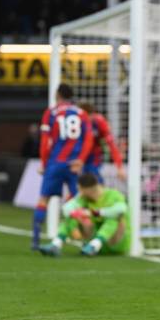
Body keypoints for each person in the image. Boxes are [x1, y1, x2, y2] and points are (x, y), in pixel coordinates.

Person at [32, 84, 93, 250]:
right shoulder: (82, 114)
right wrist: (80, 160)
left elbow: (45, 142)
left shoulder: (50, 113)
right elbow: (89, 140)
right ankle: (87, 242)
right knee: (79, 202)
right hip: (74, 165)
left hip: (55, 163)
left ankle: (36, 240)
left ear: (58, 95)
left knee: (44, 199)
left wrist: (44, 163)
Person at [38, 173, 131, 257]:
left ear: (86, 189)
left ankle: (95, 245)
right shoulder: (84, 197)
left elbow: (121, 209)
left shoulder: (113, 195)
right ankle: (56, 244)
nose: (79, 192)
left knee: (115, 217)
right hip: (94, 243)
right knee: (73, 213)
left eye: (80, 189)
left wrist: (92, 213)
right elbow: (66, 208)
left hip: (117, 243)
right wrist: (74, 223)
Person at [78, 102, 126, 183]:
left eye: (88, 117)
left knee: (92, 178)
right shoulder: (75, 122)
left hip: (93, 156)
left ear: (93, 114)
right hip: (77, 155)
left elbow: (112, 146)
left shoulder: (100, 122)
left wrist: (119, 167)